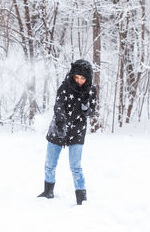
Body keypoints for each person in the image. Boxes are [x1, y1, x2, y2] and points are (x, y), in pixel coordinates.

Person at [37, 59, 97, 205]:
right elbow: (58, 105)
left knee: (75, 166)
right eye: (76, 77)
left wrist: (85, 105)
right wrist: (60, 121)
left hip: (78, 129)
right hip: (59, 126)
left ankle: (81, 199)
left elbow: (90, 113)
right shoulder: (65, 86)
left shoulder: (91, 91)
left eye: (82, 78)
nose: (79, 81)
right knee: (50, 164)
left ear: (87, 78)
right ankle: (48, 191)